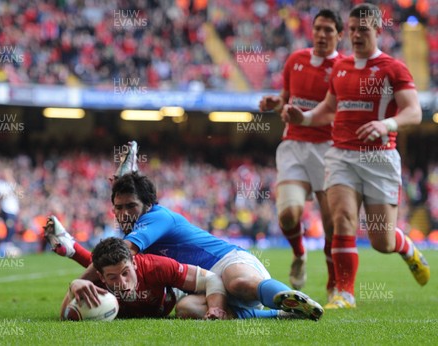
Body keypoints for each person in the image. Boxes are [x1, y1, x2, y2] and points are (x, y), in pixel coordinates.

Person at [47, 145, 324, 321]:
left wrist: (75, 279)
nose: (124, 214)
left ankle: (291, 297)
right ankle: (278, 313)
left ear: (148, 205)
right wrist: (72, 251)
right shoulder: (137, 229)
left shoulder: (157, 217)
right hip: (207, 286)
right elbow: (116, 266)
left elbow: (121, 256)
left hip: (227, 262)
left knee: (237, 282)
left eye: (131, 206)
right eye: (118, 208)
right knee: (187, 310)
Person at [280, 3, 430, 309]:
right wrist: (305, 119)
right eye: (352, 30)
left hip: (379, 159)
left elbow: (414, 111)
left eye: (363, 29)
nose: (356, 35)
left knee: (381, 241)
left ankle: (406, 247)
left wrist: (386, 124)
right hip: (341, 156)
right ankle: (344, 293)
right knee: (343, 219)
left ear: (377, 30)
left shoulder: (393, 68)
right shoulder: (342, 67)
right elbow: (330, 108)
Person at [259, 9, 343, 298]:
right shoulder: (295, 60)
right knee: (289, 215)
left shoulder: (344, 68)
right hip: (293, 145)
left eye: (328, 30)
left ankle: (334, 287)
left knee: (332, 224)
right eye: (318, 28)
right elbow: (286, 98)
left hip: (329, 150)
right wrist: (275, 102)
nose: (321, 34)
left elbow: (338, 112)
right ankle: (299, 253)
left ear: (339, 35)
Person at [61, 237, 231, 319]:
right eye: (112, 277)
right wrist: (73, 286)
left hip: (173, 296)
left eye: (125, 273)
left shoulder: (157, 266)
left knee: (186, 308)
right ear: (101, 277)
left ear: (134, 263)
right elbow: (66, 317)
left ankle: (72, 249)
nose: (122, 283)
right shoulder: (95, 285)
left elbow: (212, 279)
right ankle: (71, 248)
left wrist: (216, 309)